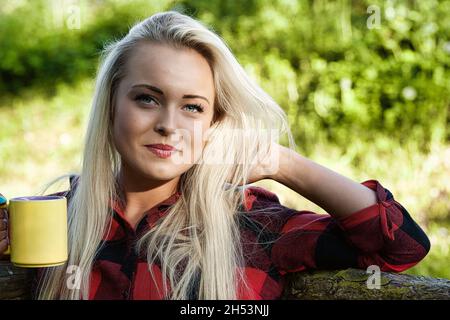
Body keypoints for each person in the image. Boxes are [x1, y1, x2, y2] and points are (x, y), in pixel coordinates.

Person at [0, 11, 430, 300]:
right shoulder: (57, 218)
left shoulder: (250, 226)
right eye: (147, 99)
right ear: (110, 107)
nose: (170, 124)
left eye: (192, 107)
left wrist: (279, 162)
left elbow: (398, 246)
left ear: (213, 123)